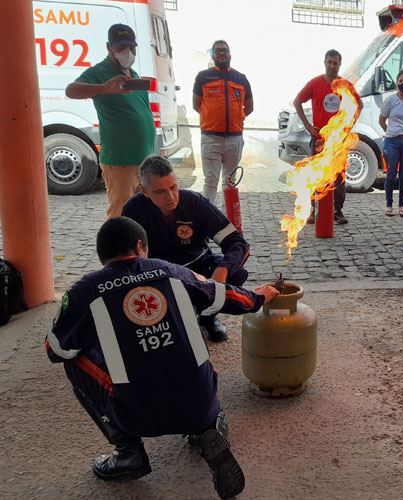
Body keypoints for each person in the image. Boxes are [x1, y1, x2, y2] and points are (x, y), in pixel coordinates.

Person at [44, 216, 279, 499]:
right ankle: (209, 426)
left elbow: (57, 350)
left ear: (101, 256)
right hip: (198, 404)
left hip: (135, 416)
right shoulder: (173, 272)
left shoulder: (85, 290)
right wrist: (259, 297)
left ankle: (128, 452)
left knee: (75, 359)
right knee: (191, 342)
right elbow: (228, 297)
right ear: (141, 246)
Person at [122, 155, 250, 343]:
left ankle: (208, 316)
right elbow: (125, 256)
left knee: (236, 273)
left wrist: (223, 269)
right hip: (157, 273)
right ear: (144, 191)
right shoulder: (134, 209)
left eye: (173, 187)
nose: (170, 197)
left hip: (197, 266)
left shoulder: (195, 202)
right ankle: (164, 320)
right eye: (160, 192)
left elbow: (237, 242)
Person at [65, 24, 156, 218]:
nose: (128, 53)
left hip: (143, 157)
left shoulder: (133, 75)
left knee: (144, 212)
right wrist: (104, 88)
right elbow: (71, 90)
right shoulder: (100, 72)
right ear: (109, 47)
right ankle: (116, 248)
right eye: (121, 47)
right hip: (120, 160)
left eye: (132, 48)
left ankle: (139, 247)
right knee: (121, 214)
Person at [294, 49, 363, 225]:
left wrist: (348, 127)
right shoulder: (314, 83)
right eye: (329, 62)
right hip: (319, 140)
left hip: (338, 140)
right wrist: (308, 126)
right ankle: (314, 209)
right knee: (315, 173)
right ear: (324, 62)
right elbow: (297, 101)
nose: (332, 66)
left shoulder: (345, 85)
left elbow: (358, 105)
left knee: (338, 175)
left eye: (336, 63)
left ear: (340, 65)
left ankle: (337, 210)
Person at [192, 40, 253, 205]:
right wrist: (213, 117)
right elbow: (197, 105)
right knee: (211, 180)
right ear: (212, 54)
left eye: (224, 50)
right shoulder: (203, 77)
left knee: (230, 181)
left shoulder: (241, 78)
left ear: (230, 54)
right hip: (211, 138)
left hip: (234, 139)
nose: (221, 53)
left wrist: (236, 118)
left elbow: (249, 107)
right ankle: (208, 219)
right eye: (217, 51)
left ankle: (230, 220)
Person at [379, 67, 403, 217]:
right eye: (401, 81)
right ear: (397, 83)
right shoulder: (390, 100)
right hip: (392, 141)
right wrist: (390, 132)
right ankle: (389, 205)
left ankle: (402, 205)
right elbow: (382, 120)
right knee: (391, 174)